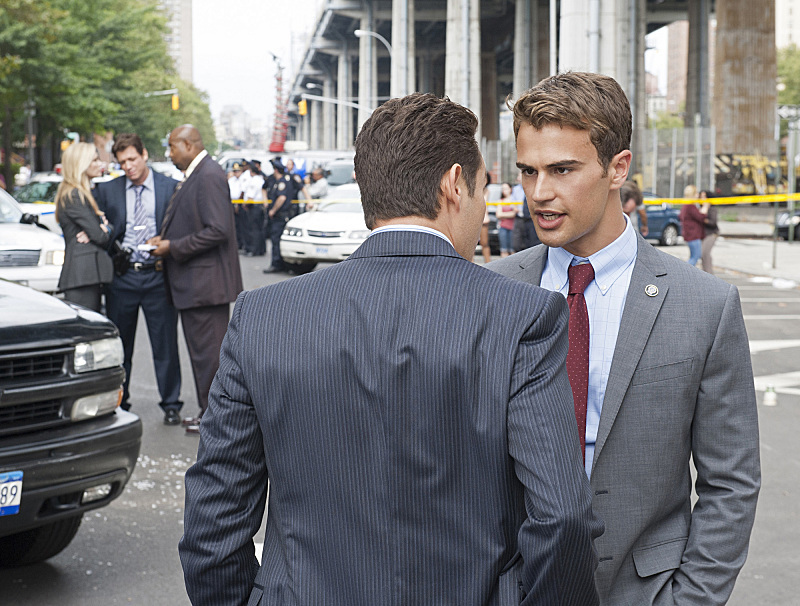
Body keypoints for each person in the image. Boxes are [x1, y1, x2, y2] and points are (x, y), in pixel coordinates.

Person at [179, 92, 602, 605]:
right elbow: (560, 516)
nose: (484, 205)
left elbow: (213, 525)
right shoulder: (521, 316)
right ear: (454, 185)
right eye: (483, 187)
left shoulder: (264, 319)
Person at [488, 72, 760, 605]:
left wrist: (692, 598)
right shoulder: (493, 290)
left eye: (562, 169)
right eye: (528, 171)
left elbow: (731, 482)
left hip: (644, 590)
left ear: (618, 168)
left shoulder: (704, 305)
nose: (539, 193)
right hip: (510, 588)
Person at [148, 125, 243, 434]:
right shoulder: (199, 173)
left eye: (172, 148)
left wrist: (172, 247)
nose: (169, 154)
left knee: (209, 358)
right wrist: (164, 239)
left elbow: (218, 230)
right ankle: (208, 412)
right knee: (203, 357)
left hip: (204, 287)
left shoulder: (208, 175)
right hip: (197, 287)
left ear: (188, 145)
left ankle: (215, 419)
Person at [94, 133, 183, 425]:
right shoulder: (108, 190)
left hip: (158, 276)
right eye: (122, 162)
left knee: (165, 345)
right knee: (122, 347)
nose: (128, 166)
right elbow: (99, 227)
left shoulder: (169, 187)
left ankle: (171, 403)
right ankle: (122, 400)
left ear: (144, 154)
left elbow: (182, 227)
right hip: (123, 279)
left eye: (132, 159)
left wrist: (167, 241)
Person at [55, 143, 113, 312]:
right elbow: (100, 237)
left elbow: (99, 232)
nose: (99, 163)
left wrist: (101, 228)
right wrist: (102, 229)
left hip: (86, 275)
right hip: (81, 276)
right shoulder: (74, 195)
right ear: (81, 164)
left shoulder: (81, 193)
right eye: (94, 160)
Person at [262, 159, 296, 273]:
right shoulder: (275, 180)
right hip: (281, 216)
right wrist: (265, 200)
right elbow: (264, 188)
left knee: (276, 240)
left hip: (280, 216)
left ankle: (277, 264)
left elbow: (282, 198)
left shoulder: (282, 181)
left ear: (276, 170)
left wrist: (273, 210)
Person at [679, 184, 706, 266]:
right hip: (693, 235)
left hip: (689, 235)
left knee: (693, 257)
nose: (698, 195)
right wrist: (705, 207)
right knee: (695, 257)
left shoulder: (686, 206)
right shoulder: (690, 206)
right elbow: (701, 217)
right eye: (696, 193)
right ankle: (685, 274)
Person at [243, 161, 266, 256]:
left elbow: (250, 197)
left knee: (254, 229)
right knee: (259, 229)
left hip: (254, 207)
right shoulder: (260, 179)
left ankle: (254, 250)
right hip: (259, 207)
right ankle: (260, 249)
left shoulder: (254, 181)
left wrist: (245, 205)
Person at [511, 174, 539, 252]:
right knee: (517, 243)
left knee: (533, 242)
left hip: (531, 219)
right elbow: (512, 202)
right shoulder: (516, 189)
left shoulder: (534, 188)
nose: (518, 178)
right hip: (519, 218)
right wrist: (514, 208)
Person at [228, 163, 247, 251]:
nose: (236, 173)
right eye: (235, 171)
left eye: (238, 171)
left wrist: (237, 205)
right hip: (232, 203)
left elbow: (242, 192)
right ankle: (237, 243)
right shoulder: (231, 180)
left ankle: (243, 243)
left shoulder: (244, 179)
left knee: (242, 225)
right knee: (234, 225)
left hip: (241, 204)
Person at [700, 189, 719, 274]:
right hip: (703, 234)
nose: (702, 198)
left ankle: (709, 273)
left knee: (705, 253)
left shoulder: (712, 209)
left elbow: (713, 222)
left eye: (704, 196)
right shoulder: (701, 207)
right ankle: (706, 271)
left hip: (711, 234)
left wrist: (703, 219)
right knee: (704, 255)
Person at [496, 182, 516, 258]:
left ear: (510, 189)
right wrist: (510, 213)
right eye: (502, 189)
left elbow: (514, 213)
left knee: (512, 250)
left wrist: (504, 215)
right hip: (503, 228)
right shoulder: (500, 201)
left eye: (505, 188)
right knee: (503, 249)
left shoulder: (515, 200)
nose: (504, 190)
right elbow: (498, 215)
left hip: (513, 228)